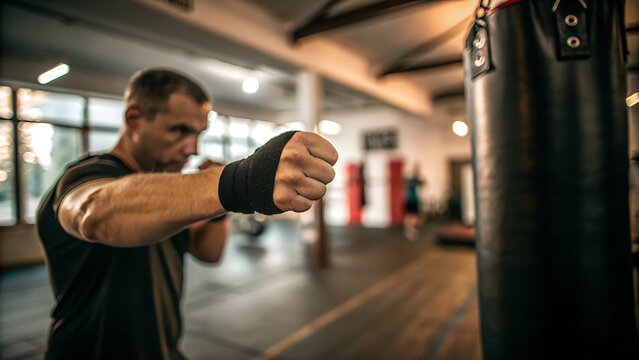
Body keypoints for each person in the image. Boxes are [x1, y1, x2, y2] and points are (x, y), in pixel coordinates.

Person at [36, 68, 338, 360]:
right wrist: (240, 181)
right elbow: (94, 214)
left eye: (198, 133)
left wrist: (219, 206)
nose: (192, 148)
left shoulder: (166, 191)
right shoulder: (86, 175)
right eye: (179, 130)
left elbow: (208, 251)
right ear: (135, 119)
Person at [403, 163, 425, 240]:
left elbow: (422, 184)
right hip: (411, 199)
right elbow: (421, 183)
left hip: (411, 199)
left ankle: (410, 229)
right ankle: (410, 229)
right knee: (412, 215)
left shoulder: (413, 179)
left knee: (412, 215)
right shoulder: (413, 179)